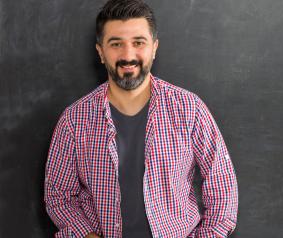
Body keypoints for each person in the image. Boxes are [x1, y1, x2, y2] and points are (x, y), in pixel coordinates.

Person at [44, 0, 238, 237]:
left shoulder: (190, 109)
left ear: (154, 48)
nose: (128, 55)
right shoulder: (74, 120)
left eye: (139, 42)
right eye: (116, 44)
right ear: (101, 52)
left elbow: (222, 188)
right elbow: (58, 195)